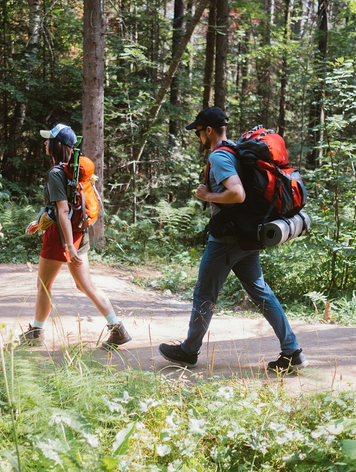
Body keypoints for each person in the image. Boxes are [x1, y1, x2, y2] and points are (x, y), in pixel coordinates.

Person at [158, 107, 308, 373]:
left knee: (204, 295)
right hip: (246, 236)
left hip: (226, 240)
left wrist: (206, 196)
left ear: (208, 130)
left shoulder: (219, 157)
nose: (197, 137)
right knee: (262, 293)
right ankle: (292, 351)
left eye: (198, 131)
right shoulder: (236, 150)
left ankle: (189, 351)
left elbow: (237, 194)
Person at [20, 123, 131, 350]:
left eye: (47, 140)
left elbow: (62, 211)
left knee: (43, 285)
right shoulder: (75, 172)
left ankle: (36, 332)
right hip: (80, 233)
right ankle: (117, 328)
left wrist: (68, 246)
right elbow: (66, 209)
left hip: (61, 238)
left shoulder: (56, 173)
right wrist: (41, 222)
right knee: (85, 285)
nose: (44, 143)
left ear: (56, 145)